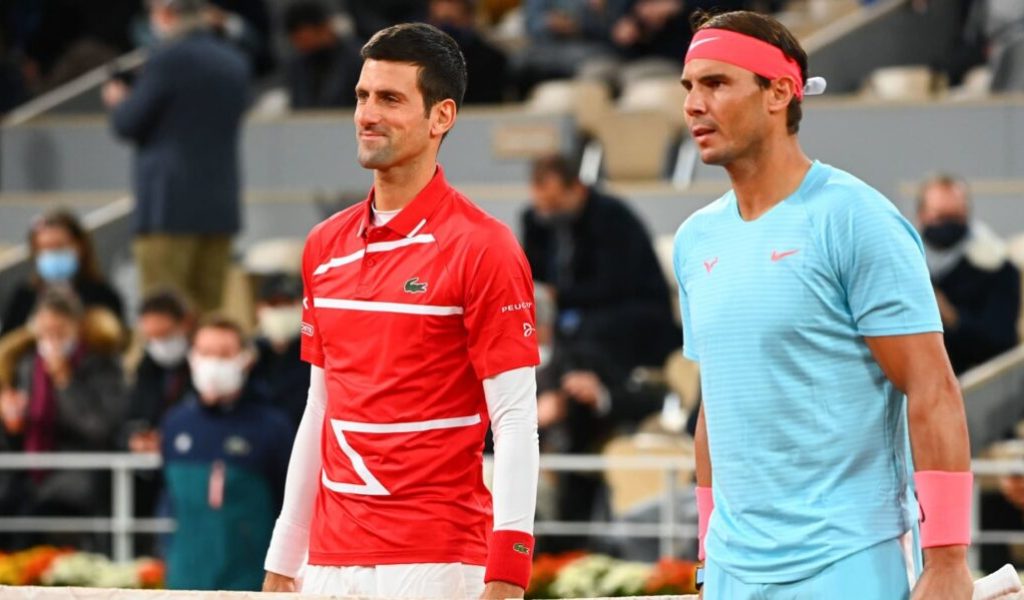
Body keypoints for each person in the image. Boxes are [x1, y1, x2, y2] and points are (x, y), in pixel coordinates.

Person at [674, 11, 973, 599]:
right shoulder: (693, 240)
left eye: (715, 83)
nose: (692, 104)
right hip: (733, 569)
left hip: (846, 560)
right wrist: (709, 552)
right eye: (688, 86)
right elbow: (717, 407)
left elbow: (932, 389)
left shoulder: (857, 219)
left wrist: (946, 561)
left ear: (778, 93)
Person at [262, 23, 540, 599]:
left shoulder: (484, 247)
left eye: (390, 99)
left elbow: (514, 420)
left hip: (436, 563)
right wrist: (284, 557)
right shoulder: (322, 246)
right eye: (362, 96)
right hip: (326, 563)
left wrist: (509, 573)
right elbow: (320, 407)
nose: (367, 114)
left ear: (442, 117)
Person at [104, 0, 249, 315]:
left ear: (167, 14)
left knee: (162, 313)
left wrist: (119, 101)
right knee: (210, 313)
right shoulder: (234, 61)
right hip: (219, 206)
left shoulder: (165, 59)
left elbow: (128, 122)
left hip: (167, 207)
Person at [160, 315, 292, 590]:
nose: (213, 363)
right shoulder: (175, 424)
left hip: (250, 581)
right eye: (206, 353)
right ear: (192, 357)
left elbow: (290, 505)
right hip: (185, 579)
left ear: (245, 358)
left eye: (224, 354)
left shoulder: (272, 427)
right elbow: (168, 499)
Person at [521, 154, 678, 370]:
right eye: (542, 206)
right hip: (573, 311)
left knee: (584, 332)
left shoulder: (612, 217)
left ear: (577, 189)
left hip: (630, 311)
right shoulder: (536, 220)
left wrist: (558, 297)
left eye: (555, 204)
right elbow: (532, 275)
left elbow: (612, 286)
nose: (548, 214)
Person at [0, 288, 127, 550]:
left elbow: (99, 428)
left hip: (81, 475)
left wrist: (65, 383)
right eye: (45, 332)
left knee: (42, 517)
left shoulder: (102, 365)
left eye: (59, 332)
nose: (51, 340)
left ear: (77, 327)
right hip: (29, 475)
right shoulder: (26, 366)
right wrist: (12, 423)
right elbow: (17, 436)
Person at [917, 173, 1020, 375]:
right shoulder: (906, 267)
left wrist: (951, 316)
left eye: (954, 217)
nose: (947, 224)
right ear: (922, 216)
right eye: (940, 217)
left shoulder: (997, 269)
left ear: (966, 214)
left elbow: (1002, 342)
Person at [1, 210, 124, 338]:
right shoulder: (24, 296)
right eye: (46, 248)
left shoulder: (102, 295)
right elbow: (6, 345)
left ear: (80, 247)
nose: (53, 254)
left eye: (59, 246)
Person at [249, 273, 308, 428]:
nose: (281, 311)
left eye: (288, 304)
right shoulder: (250, 357)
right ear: (259, 309)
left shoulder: (314, 358)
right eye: (274, 304)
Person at [282, 0, 363, 110]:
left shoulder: (357, 60)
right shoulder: (296, 65)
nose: (301, 45)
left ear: (324, 28)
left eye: (305, 39)